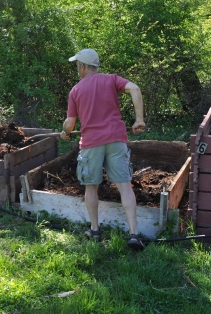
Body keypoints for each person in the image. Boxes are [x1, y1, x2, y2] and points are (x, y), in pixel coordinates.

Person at [60, 48, 146, 250]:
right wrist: (139, 120)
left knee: (91, 186)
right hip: (116, 139)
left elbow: (70, 124)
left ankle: (95, 230)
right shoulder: (111, 79)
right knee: (124, 185)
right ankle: (134, 234)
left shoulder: (76, 91)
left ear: (82, 66)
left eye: (77, 65)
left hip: (91, 143)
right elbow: (135, 89)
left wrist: (64, 132)